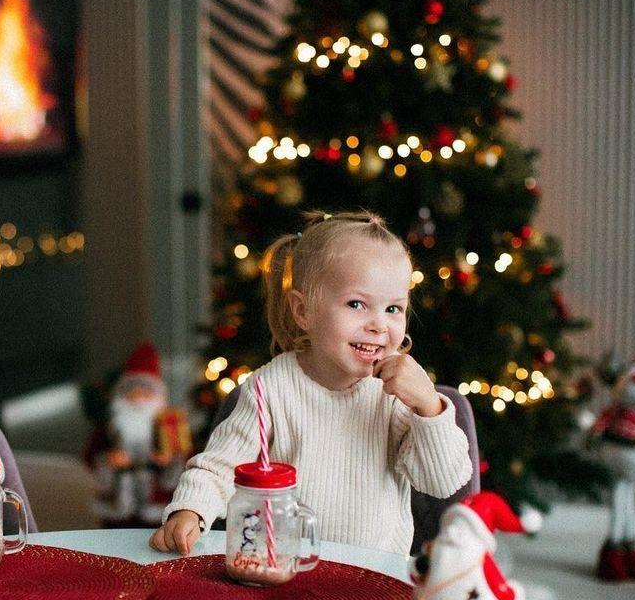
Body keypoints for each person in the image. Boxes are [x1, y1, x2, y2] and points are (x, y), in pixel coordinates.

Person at [150, 210, 471, 556]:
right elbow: (219, 468)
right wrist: (191, 510)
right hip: (284, 569)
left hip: (376, 576)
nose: (379, 325)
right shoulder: (269, 388)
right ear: (303, 311)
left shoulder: (396, 395)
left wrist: (429, 407)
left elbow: (443, 482)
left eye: (394, 309)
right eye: (357, 304)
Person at [82, 343, 192, 527]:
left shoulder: (168, 425)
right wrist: (108, 460)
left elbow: (186, 457)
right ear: (121, 396)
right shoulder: (109, 427)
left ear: (157, 396)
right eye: (132, 393)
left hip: (158, 505)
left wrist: (170, 460)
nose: (139, 399)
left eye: (146, 393)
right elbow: (90, 456)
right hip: (117, 503)